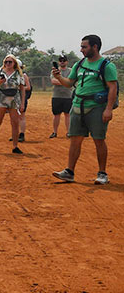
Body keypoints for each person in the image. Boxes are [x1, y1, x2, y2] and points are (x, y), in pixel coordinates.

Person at [52, 35, 117, 185]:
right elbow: (69, 83)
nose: (81, 50)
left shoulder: (106, 66)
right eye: (81, 46)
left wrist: (108, 109)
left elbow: (112, 88)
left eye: (84, 47)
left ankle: (102, 174)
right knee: (75, 140)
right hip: (77, 105)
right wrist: (59, 77)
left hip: (97, 107)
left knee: (99, 140)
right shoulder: (79, 64)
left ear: (95, 47)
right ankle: (69, 172)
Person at [0, 54, 25, 154]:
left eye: (10, 62)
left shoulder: (18, 74)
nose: (7, 64)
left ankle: (15, 146)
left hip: (14, 99)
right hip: (1, 99)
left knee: (15, 123)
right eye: (6, 62)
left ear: (14, 63)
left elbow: (22, 88)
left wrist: (22, 103)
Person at [49, 55, 73, 138]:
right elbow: (53, 81)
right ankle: (55, 132)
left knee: (68, 115)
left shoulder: (71, 70)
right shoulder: (54, 71)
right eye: (60, 60)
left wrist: (60, 80)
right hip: (57, 96)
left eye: (64, 60)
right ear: (59, 62)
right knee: (56, 115)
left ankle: (69, 132)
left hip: (68, 96)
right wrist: (65, 82)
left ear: (67, 62)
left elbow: (71, 81)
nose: (62, 62)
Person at [15, 60, 32, 142]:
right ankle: (15, 134)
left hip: (22, 97)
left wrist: (19, 88)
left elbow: (28, 87)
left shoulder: (23, 75)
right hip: (14, 98)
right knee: (15, 117)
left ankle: (22, 134)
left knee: (21, 116)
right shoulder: (12, 75)